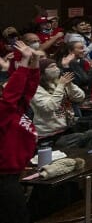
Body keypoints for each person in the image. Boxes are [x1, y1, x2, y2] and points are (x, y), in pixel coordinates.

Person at [0, 41, 43, 223]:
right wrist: (24, 64)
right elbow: (11, 96)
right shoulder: (4, 111)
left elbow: (27, 91)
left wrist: (34, 64)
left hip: (15, 174)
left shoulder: (18, 109)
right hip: (3, 178)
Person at [31, 59, 85, 144]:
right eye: (52, 66)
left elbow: (80, 97)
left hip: (67, 127)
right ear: (43, 71)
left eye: (56, 66)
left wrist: (70, 85)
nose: (56, 69)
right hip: (49, 134)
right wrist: (61, 86)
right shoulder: (35, 88)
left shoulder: (59, 82)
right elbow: (49, 107)